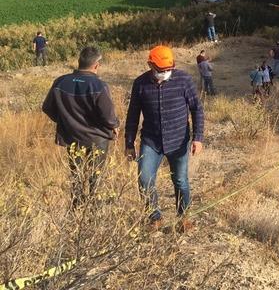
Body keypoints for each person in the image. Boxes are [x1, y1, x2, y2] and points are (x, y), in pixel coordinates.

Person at [125, 45, 204, 230]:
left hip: (178, 140)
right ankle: (154, 218)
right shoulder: (140, 84)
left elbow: (196, 108)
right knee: (144, 179)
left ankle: (183, 218)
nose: (165, 73)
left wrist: (198, 137)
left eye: (168, 69)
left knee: (180, 180)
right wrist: (129, 143)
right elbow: (133, 115)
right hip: (151, 141)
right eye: (161, 70)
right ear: (150, 65)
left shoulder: (183, 80)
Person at [42, 47, 119, 207]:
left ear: (79, 62)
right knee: (95, 177)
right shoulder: (99, 85)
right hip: (97, 140)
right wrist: (115, 125)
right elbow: (108, 117)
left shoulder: (60, 82)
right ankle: (94, 212)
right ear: (97, 65)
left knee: (76, 175)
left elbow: (47, 108)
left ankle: (77, 208)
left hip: (71, 137)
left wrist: (64, 121)